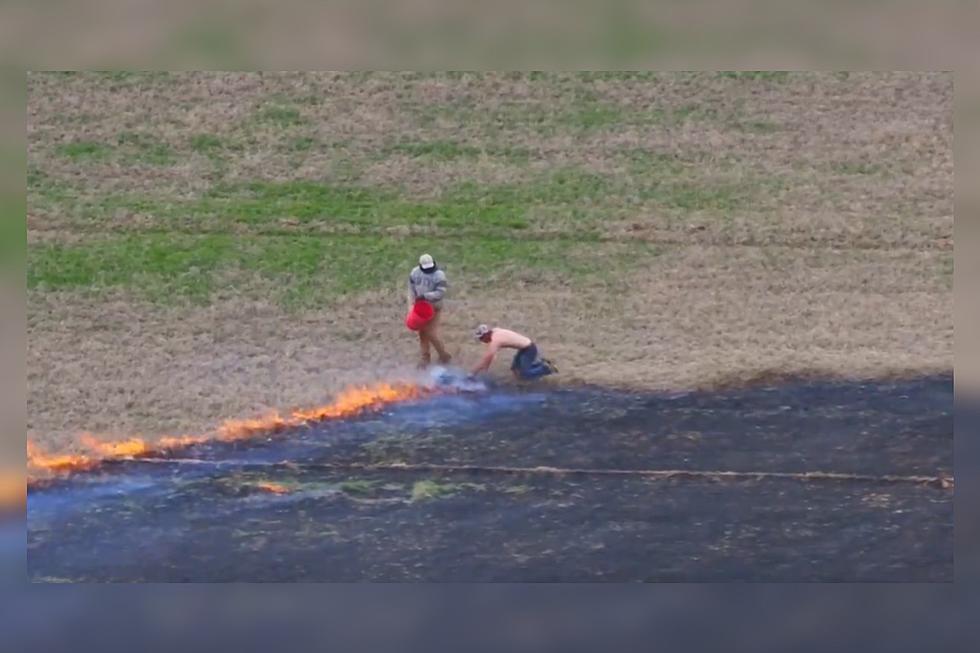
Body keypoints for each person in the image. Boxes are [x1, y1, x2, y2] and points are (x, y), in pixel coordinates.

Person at [408, 253, 451, 367]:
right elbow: (411, 289)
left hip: (434, 307)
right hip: (420, 308)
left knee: (431, 333)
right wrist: (412, 305)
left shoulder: (439, 275)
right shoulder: (414, 273)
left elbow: (441, 292)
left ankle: (444, 355)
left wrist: (426, 296)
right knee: (422, 333)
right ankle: (425, 359)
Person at [470, 324, 557, 380]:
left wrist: (472, 374)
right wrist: (484, 368)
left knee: (524, 373)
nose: (482, 341)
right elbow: (488, 358)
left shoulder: (496, 340)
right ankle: (540, 364)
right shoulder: (496, 331)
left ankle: (547, 369)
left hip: (528, 349)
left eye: (481, 338)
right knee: (515, 370)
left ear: (486, 335)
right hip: (524, 348)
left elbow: (487, 357)